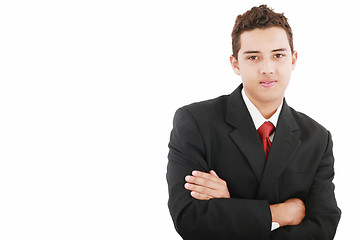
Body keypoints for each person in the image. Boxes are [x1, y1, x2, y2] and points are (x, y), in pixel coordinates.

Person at [166, 4, 341, 240]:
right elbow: (189, 218)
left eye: (278, 55)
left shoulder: (318, 138)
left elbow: (323, 229)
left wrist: (231, 207)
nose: (267, 69)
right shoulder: (195, 123)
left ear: (293, 59)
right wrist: (280, 213)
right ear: (235, 63)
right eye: (253, 57)